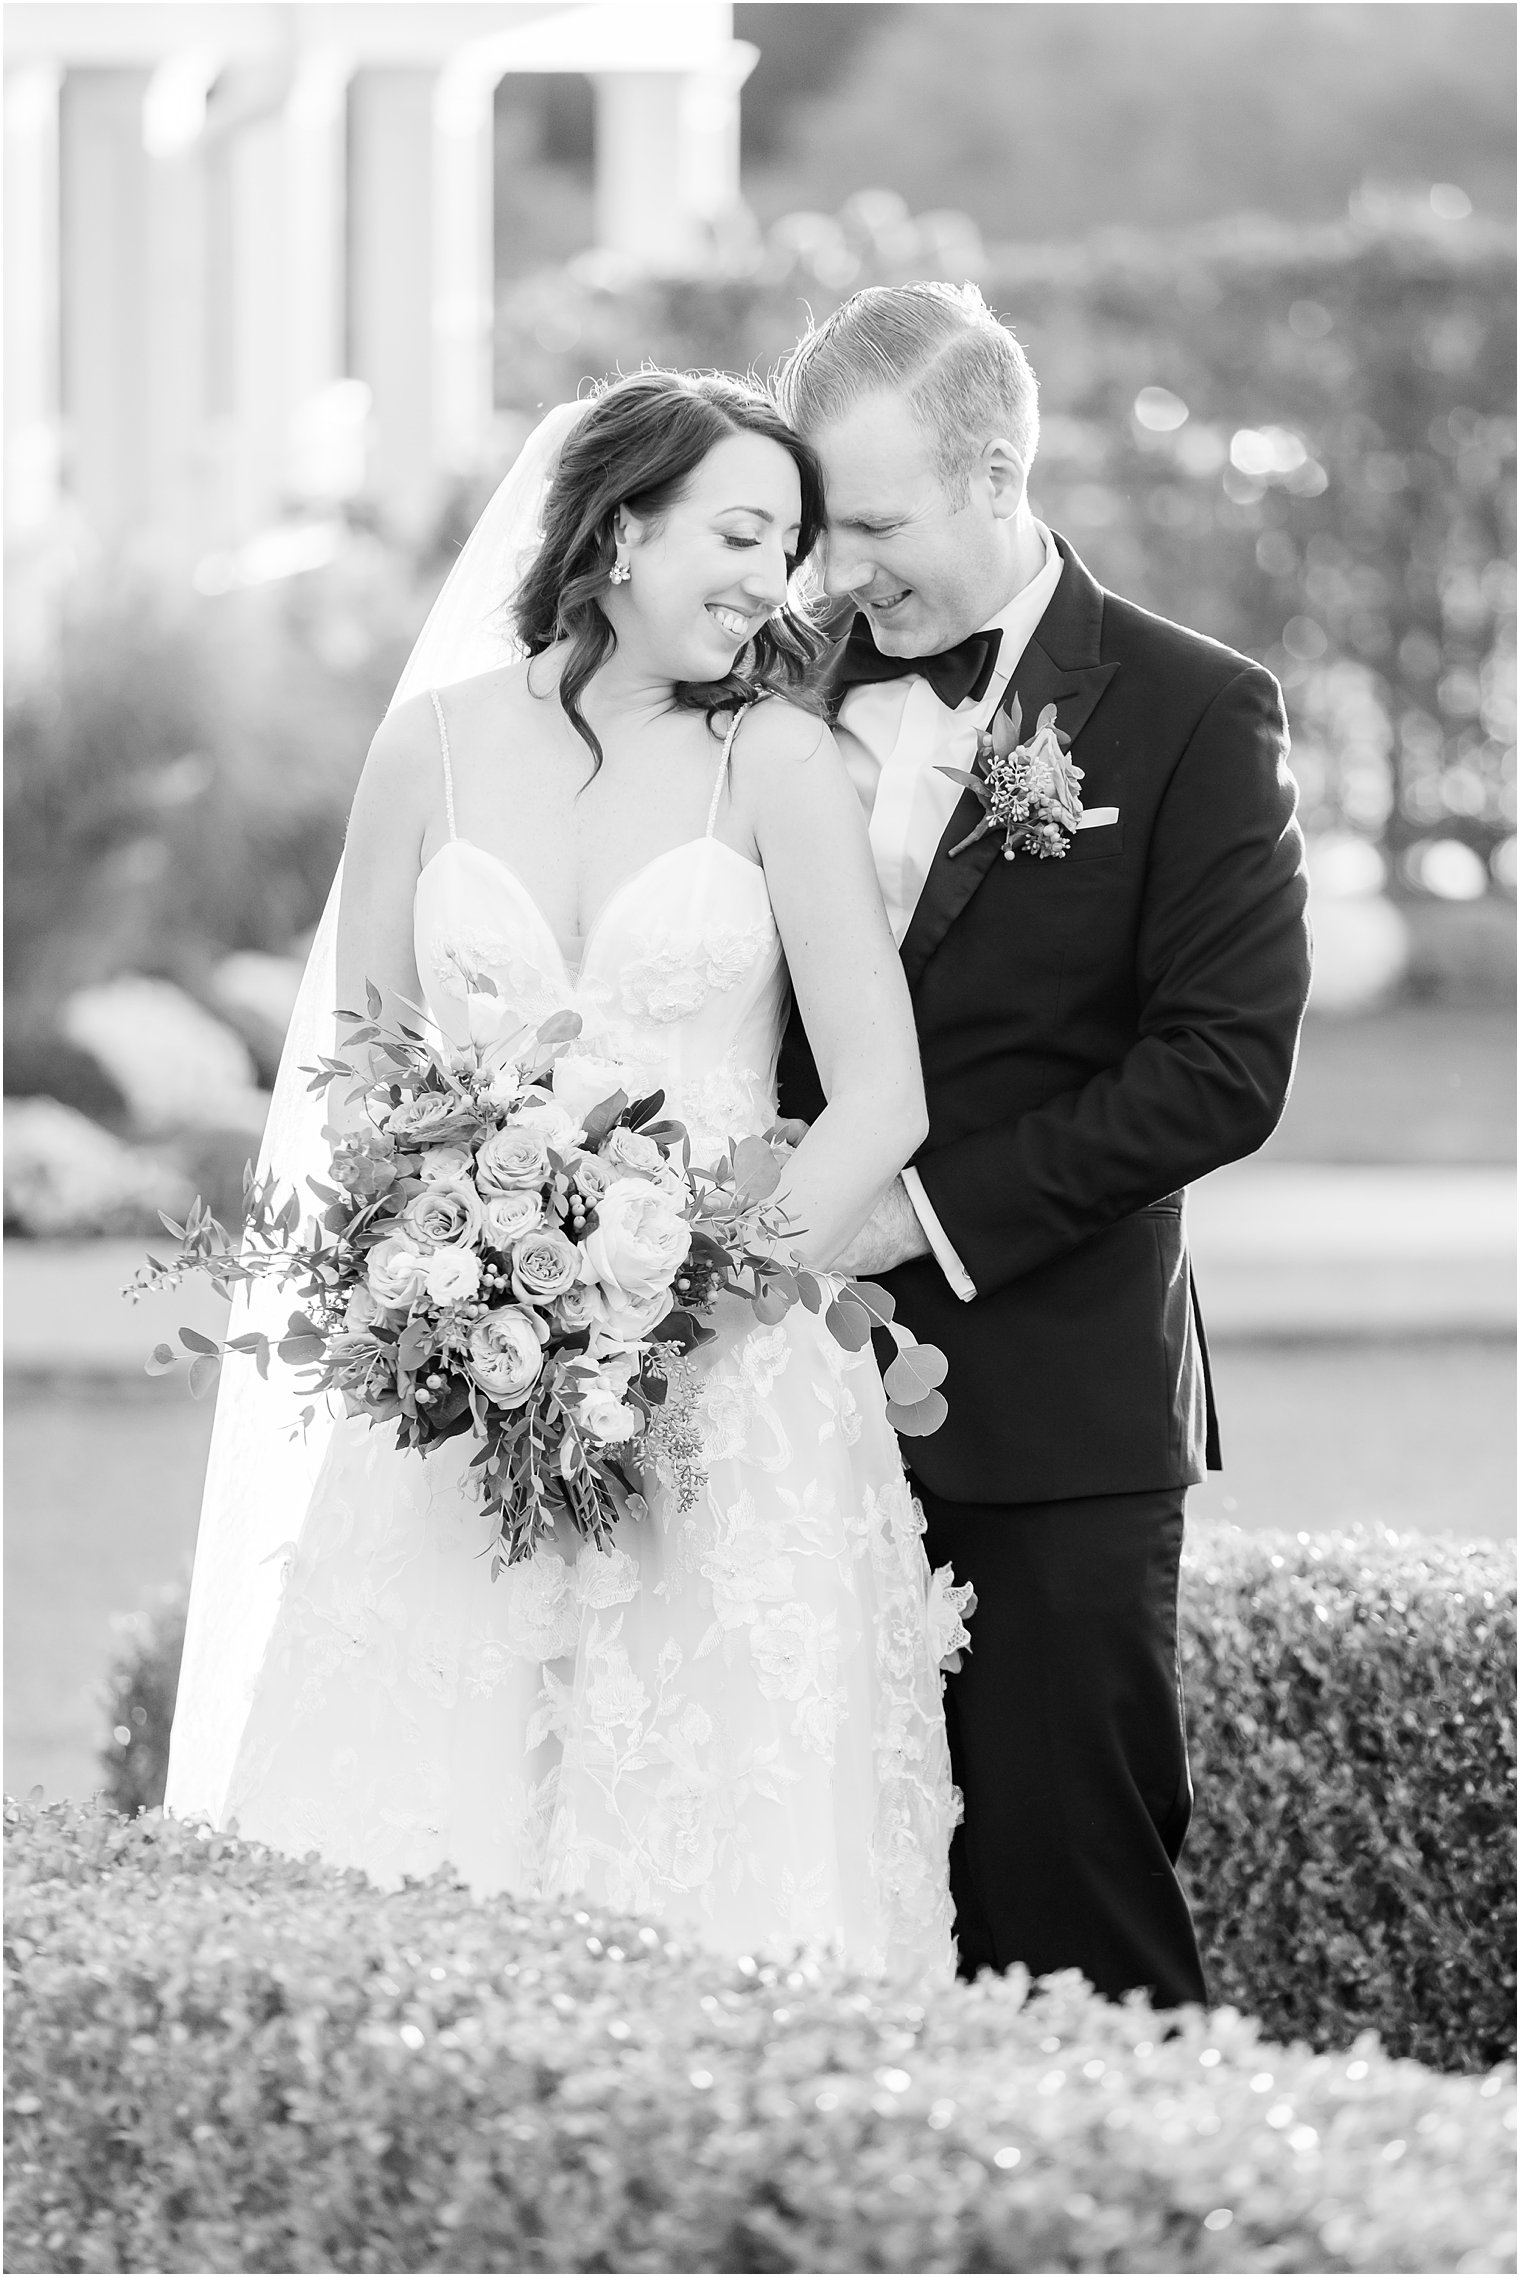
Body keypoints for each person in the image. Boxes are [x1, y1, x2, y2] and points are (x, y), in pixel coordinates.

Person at [166, 372, 971, 1977]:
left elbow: (882, 1099)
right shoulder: (430, 751)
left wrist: (692, 1314)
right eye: (740, 532)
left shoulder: (782, 766)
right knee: (422, 1822)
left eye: (793, 546)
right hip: (468, 1394)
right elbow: (362, 1083)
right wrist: (451, 1294)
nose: (775, 580)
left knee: (719, 1846)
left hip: (729, 1403)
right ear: (615, 530)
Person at [774, 283, 1312, 2009]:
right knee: (818, 1905)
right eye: (818, 528)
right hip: (776, 1416)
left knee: (1070, 1918)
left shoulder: (1190, 709)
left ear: (995, 467)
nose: (840, 573)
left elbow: (1220, 1071)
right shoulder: (761, 697)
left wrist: (908, 1215)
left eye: (872, 524)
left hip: (1056, 1425)